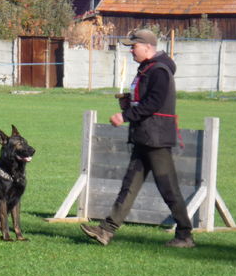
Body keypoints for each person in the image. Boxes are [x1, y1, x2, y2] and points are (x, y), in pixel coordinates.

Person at [80, 29, 195, 248]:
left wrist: (125, 115)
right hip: (145, 136)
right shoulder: (148, 69)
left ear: (148, 47)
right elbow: (145, 101)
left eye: (133, 46)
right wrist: (129, 103)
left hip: (156, 139)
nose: (131, 50)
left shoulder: (159, 71)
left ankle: (185, 235)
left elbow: (154, 103)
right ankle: (106, 230)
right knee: (129, 186)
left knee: (169, 189)